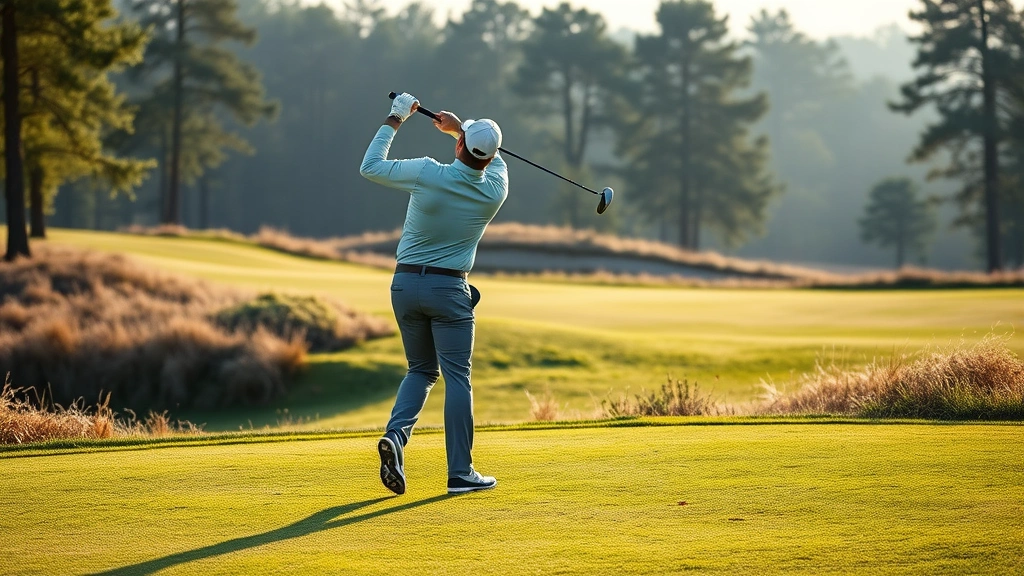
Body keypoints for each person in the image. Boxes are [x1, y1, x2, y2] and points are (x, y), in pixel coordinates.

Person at [359, 92, 508, 495]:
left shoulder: (427, 172)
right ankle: (460, 473)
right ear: (488, 157)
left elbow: (369, 167)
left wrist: (395, 118)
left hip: (404, 285)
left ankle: (396, 436)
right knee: (456, 378)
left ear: (459, 146)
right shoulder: (495, 190)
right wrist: (460, 130)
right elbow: (491, 160)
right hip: (450, 290)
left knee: (421, 370)